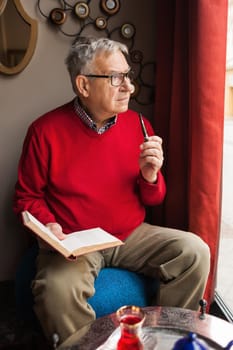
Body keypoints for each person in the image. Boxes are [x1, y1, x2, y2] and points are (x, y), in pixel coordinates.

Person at [13, 36, 210, 345]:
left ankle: (165, 339)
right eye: (116, 77)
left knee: (194, 251)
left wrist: (150, 176)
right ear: (83, 85)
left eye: (127, 75)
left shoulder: (139, 124)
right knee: (55, 289)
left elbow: (154, 198)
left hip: (130, 234)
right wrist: (49, 226)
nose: (129, 86)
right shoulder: (44, 131)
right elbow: (26, 198)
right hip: (75, 242)